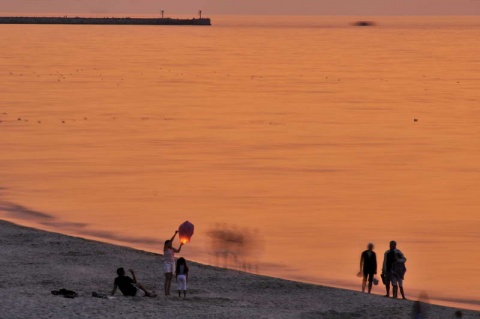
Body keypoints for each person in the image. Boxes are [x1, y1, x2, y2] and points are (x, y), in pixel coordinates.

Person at [164, 230, 184, 296]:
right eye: (170, 243)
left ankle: (168, 292)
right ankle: (165, 292)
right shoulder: (165, 248)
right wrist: (175, 234)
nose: (171, 244)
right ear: (167, 244)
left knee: (170, 278)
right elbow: (170, 241)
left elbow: (178, 251)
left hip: (172, 263)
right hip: (167, 263)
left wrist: (181, 245)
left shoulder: (172, 249)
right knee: (167, 278)